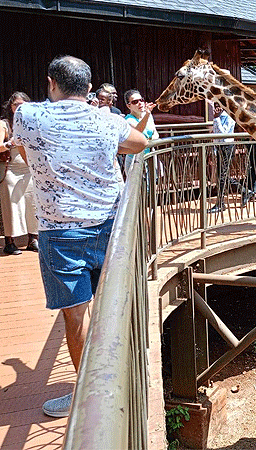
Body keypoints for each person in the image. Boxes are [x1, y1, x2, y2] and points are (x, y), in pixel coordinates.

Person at [11, 55, 148, 418]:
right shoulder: (107, 119)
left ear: (50, 83)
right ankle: (126, 381)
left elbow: (23, 151)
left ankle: (88, 394)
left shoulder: (28, 116)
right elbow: (139, 143)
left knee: (76, 317)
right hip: (111, 227)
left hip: (61, 233)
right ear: (89, 89)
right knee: (115, 307)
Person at [0, 92, 38, 255]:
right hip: (10, 169)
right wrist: (11, 142)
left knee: (32, 203)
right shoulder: (4, 124)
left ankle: (33, 239)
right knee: (12, 204)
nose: (19, 108)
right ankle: (10, 241)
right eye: (16, 105)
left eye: (23, 104)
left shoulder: (31, 122)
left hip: (28, 169)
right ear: (11, 106)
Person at [208, 102, 236, 213]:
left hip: (227, 147)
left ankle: (220, 203)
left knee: (222, 176)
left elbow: (224, 134)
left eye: (218, 105)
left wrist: (216, 119)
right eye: (215, 106)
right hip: (219, 147)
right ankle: (244, 191)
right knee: (222, 175)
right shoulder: (219, 116)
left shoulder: (228, 117)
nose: (216, 108)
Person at [123, 89, 158, 173]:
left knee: (151, 184)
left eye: (141, 100)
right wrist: (147, 114)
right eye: (135, 102)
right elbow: (138, 131)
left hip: (149, 157)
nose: (140, 103)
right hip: (134, 159)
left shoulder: (148, 116)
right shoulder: (128, 120)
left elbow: (155, 133)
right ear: (129, 106)